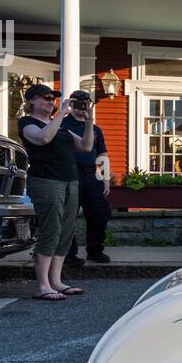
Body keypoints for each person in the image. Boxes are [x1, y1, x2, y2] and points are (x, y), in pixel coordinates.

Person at [17, 84, 92, 301]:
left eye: (53, 98)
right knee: (51, 228)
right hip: (46, 181)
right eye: (45, 98)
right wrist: (62, 113)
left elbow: (86, 147)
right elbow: (42, 139)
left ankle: (56, 281)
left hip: (70, 180)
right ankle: (42, 285)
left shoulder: (57, 125)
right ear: (31, 101)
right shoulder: (27, 123)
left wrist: (88, 120)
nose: (51, 101)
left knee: (66, 230)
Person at [62, 91, 111, 267]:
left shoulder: (95, 129)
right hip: (70, 174)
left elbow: (102, 153)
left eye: (86, 103)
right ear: (71, 104)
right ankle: (68, 254)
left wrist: (105, 178)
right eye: (79, 103)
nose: (83, 107)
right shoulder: (62, 124)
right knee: (68, 215)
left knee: (99, 213)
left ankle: (95, 250)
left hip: (92, 175)